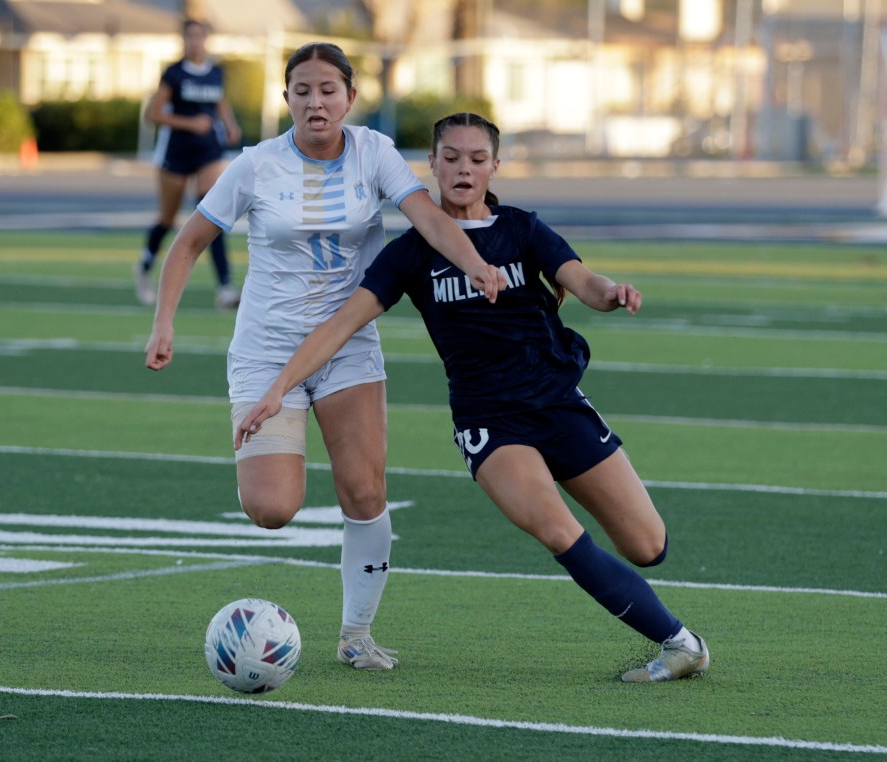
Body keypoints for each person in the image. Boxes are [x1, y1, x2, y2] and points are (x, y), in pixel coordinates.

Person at [235, 112, 711, 683]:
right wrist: (277, 390)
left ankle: (666, 626)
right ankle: (681, 644)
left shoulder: (522, 228)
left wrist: (612, 293)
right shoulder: (412, 252)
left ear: (495, 166)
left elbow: (583, 281)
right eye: (452, 158)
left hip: (557, 402)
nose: (464, 168)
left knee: (647, 544)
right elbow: (339, 327)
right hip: (490, 422)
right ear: (430, 166)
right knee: (560, 532)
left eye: (477, 158)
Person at [144, 46, 507, 671]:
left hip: (348, 346)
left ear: (350, 97)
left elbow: (426, 218)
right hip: (266, 351)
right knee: (272, 510)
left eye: (328, 90)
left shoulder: (374, 152)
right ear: (286, 98)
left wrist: (475, 263)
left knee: (365, 491)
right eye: (303, 90)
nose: (316, 102)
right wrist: (164, 323)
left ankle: (355, 635)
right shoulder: (255, 165)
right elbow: (188, 244)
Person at [135, 19, 242, 309]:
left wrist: (230, 125)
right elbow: (154, 114)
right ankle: (144, 269)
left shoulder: (216, 73)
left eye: (200, 36)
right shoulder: (174, 74)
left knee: (211, 215)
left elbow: (220, 103)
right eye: (190, 37)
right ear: (183, 40)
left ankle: (225, 288)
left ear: (207, 39)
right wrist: (189, 123)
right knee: (168, 220)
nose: (195, 42)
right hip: (176, 152)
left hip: (208, 151)